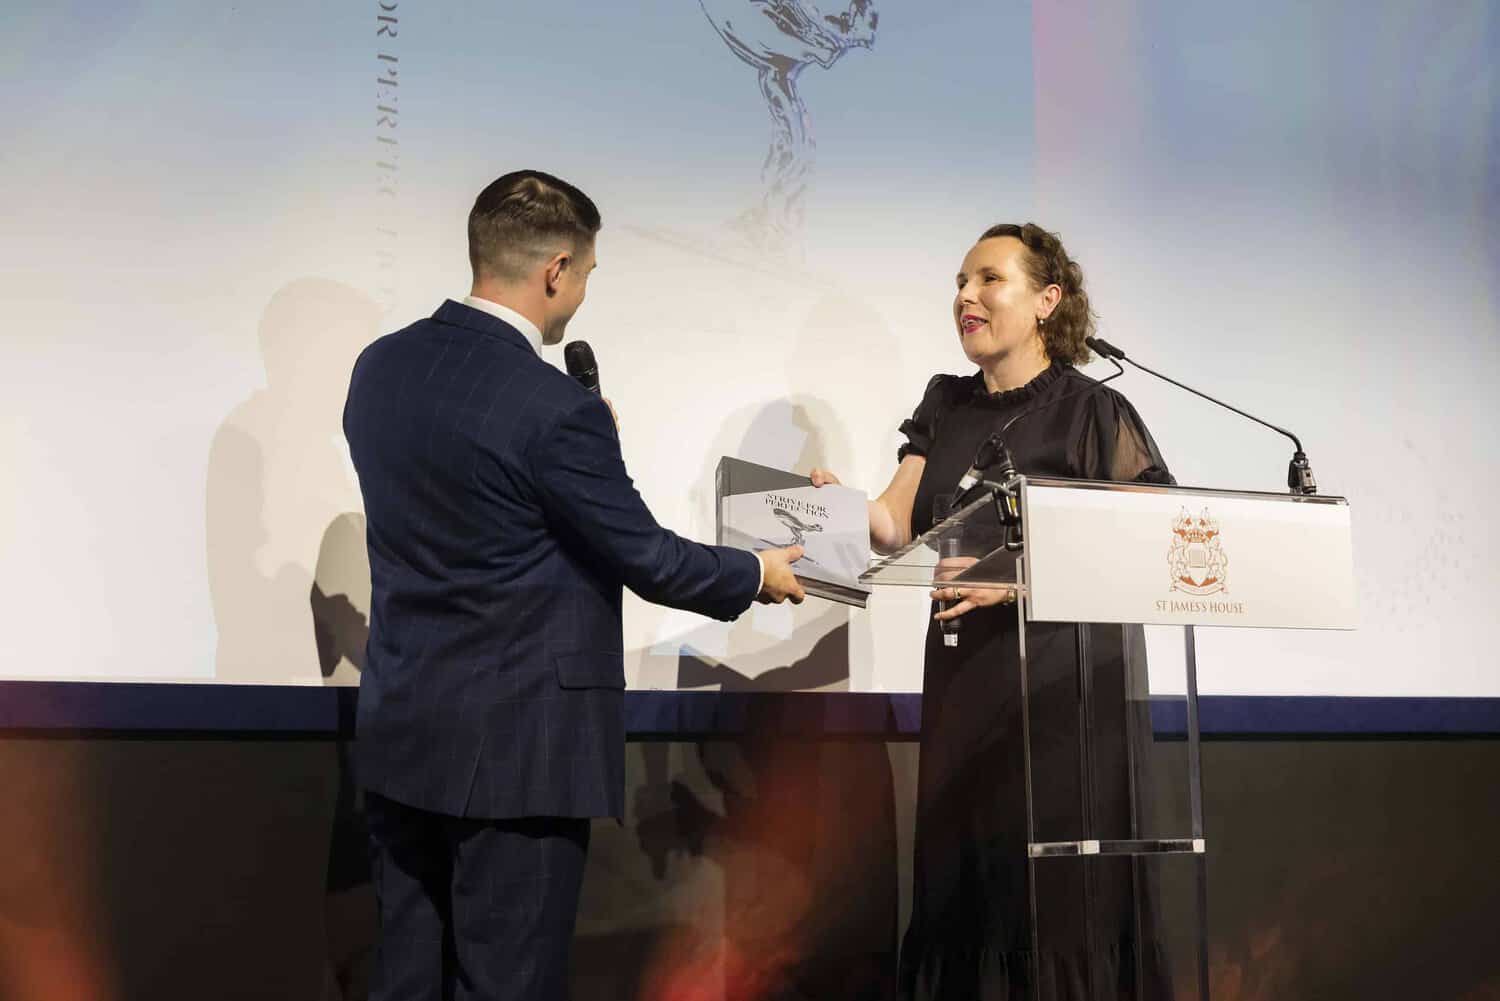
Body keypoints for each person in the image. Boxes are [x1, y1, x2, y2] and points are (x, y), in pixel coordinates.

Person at [342, 169, 806, 1001]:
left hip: (402, 731)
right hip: (519, 751)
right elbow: (650, 557)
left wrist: (577, 455)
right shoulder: (554, 410)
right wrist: (757, 572)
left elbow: (473, 509)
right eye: (588, 275)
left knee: (406, 980)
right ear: (556, 269)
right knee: (509, 984)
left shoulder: (379, 369)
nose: (583, 292)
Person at [812, 223, 1174, 1000]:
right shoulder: (946, 404)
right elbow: (896, 520)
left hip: (1061, 703)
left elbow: (1149, 543)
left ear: (1047, 300)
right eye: (960, 282)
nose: (965, 297)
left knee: (1051, 909)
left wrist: (1018, 573)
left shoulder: (1091, 414)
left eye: (988, 280)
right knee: (967, 891)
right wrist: (840, 511)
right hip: (964, 687)